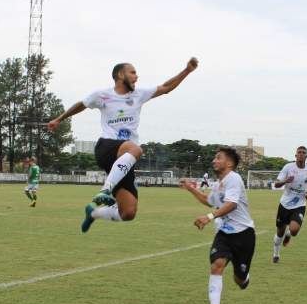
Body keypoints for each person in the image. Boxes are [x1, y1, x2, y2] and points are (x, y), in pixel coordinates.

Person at [48, 57, 199, 232]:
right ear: (120, 75)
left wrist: (187, 71)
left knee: (128, 212)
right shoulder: (102, 95)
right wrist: (59, 119)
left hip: (125, 159)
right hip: (107, 147)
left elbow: (165, 88)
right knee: (136, 148)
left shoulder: (139, 94)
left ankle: (94, 213)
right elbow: (81, 105)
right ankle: (105, 190)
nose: (137, 76)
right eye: (133, 72)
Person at [180, 147, 255, 304]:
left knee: (239, 278)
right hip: (224, 233)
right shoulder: (219, 183)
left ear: (229, 163)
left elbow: (232, 205)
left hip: (244, 234)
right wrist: (191, 189)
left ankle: (244, 278)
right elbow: (209, 201)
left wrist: (209, 217)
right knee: (217, 265)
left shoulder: (234, 178)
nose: (214, 161)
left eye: (218, 158)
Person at [272, 146, 307, 263]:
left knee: (294, 231)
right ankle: (276, 254)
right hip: (285, 204)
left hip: (300, 204)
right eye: (299, 152)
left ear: (306, 156)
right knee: (279, 232)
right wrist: (285, 181)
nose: (301, 154)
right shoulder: (288, 167)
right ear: (296, 155)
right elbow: (276, 184)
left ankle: (289, 234)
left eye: (303, 153)